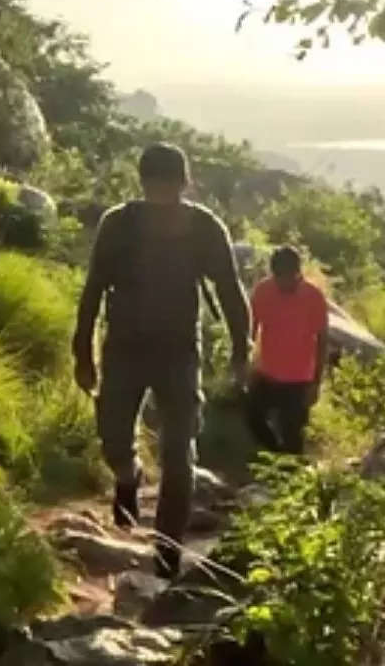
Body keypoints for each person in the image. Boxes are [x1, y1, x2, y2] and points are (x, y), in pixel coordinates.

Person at [74, 142, 251, 580]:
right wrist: (82, 350)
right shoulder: (118, 224)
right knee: (112, 435)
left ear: (184, 184)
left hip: (179, 353)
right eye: (155, 186)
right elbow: (94, 287)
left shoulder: (205, 228)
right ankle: (129, 475)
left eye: (169, 187)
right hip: (123, 348)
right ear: (143, 184)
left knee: (178, 454)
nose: (162, 196)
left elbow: (230, 290)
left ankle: (168, 550)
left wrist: (242, 350)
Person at [243, 246, 331, 456]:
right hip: (268, 374)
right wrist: (247, 365)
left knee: (293, 437)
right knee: (252, 416)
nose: (284, 283)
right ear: (274, 274)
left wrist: (316, 382)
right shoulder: (263, 291)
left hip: (299, 380)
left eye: (289, 277)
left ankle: (289, 473)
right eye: (279, 277)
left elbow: (322, 341)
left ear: (297, 272)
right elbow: (250, 330)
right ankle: (276, 457)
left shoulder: (313, 297)